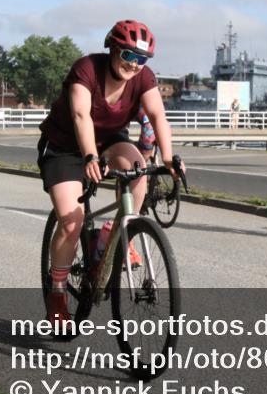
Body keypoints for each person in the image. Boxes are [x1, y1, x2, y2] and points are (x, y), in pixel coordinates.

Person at [37, 20, 182, 323]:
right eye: (128, 55)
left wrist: (168, 158)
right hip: (65, 145)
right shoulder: (87, 68)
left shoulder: (143, 78)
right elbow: (80, 115)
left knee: (139, 169)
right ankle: (58, 290)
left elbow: (158, 115)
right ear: (113, 49)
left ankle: (115, 237)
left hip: (109, 140)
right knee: (71, 222)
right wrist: (89, 156)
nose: (134, 65)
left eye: (141, 59)